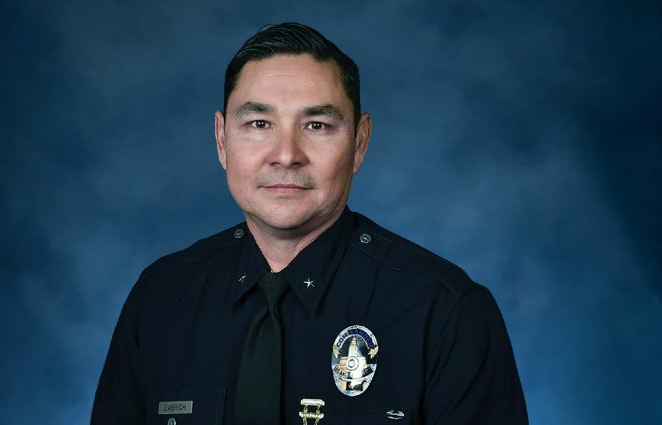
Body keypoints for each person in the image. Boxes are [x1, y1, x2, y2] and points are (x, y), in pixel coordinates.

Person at [91, 22, 528, 425]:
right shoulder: (160, 300)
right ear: (222, 140)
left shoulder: (445, 313)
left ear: (359, 143)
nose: (286, 154)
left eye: (317, 125)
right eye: (259, 123)